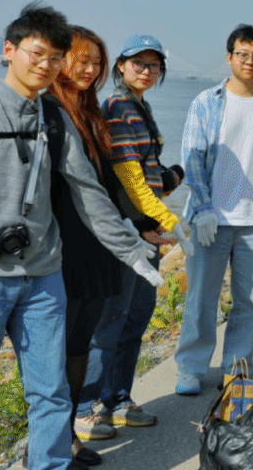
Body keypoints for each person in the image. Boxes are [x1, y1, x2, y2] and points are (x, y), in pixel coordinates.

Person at [0, 3, 161, 470]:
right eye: (36, 53)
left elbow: (89, 195)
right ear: (9, 50)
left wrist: (131, 251)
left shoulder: (55, 119)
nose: (45, 65)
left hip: (44, 280)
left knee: (51, 393)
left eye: (54, 57)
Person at [48, 26, 166, 465]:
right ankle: (80, 414)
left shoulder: (98, 110)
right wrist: (140, 224)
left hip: (118, 234)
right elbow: (118, 180)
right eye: (82, 60)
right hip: (87, 240)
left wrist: (149, 216)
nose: (89, 69)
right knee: (95, 328)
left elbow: (116, 178)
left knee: (119, 322)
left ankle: (107, 402)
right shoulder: (99, 108)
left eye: (154, 65)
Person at [175, 24, 253, 396]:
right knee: (200, 298)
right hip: (211, 219)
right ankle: (190, 369)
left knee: (251, 301)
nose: (249, 62)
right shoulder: (206, 102)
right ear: (229, 57)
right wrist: (203, 209)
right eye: (242, 54)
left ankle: (237, 369)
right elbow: (192, 159)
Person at [76, 34, 182, 439]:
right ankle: (88, 406)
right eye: (139, 63)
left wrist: (169, 182)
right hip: (128, 232)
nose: (146, 71)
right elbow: (129, 179)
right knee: (110, 322)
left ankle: (118, 398)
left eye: (154, 65)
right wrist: (168, 222)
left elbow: (147, 174)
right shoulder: (118, 108)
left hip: (147, 230)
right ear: (120, 65)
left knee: (136, 317)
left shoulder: (140, 107)